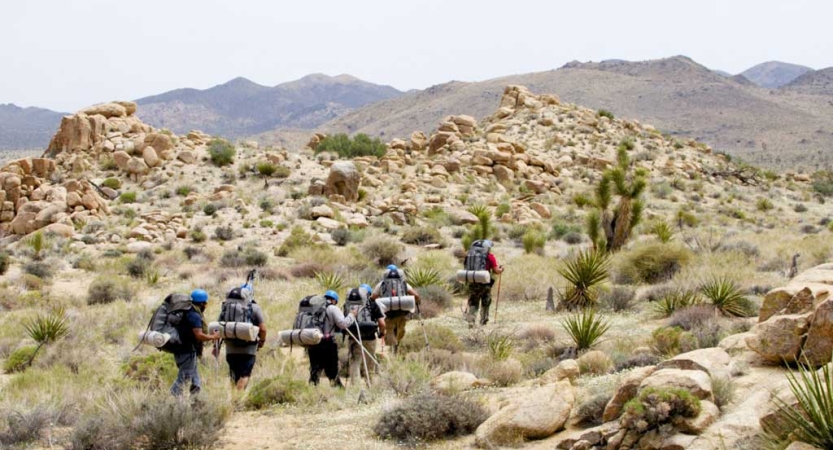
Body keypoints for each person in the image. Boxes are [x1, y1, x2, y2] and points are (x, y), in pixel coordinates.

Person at [215, 282, 267, 391]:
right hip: (248, 348)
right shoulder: (254, 307)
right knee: (245, 375)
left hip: (230, 348)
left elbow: (218, 327)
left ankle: (233, 397)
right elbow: (263, 329)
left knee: (234, 375)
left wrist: (215, 347)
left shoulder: (225, 307)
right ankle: (238, 399)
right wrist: (262, 341)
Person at [170, 289, 220, 397]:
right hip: (187, 351)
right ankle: (172, 399)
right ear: (202, 303)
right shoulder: (194, 315)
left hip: (181, 349)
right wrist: (213, 336)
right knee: (185, 376)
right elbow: (199, 335)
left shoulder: (186, 312)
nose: (206, 305)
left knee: (195, 379)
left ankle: (196, 401)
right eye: (205, 303)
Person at [308, 290, 356, 387]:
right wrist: (352, 315)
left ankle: (312, 389)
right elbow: (343, 324)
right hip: (327, 342)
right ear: (334, 300)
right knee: (332, 368)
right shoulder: (333, 308)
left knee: (315, 368)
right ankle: (337, 388)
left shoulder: (313, 308)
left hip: (312, 341)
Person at [370, 265, 420, 353]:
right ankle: (396, 350)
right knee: (400, 331)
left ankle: (392, 352)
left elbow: (373, 298)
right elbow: (416, 295)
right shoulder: (403, 283)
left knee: (389, 332)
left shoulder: (381, 284)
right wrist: (416, 302)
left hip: (387, 314)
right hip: (401, 313)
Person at [346, 284, 386, 386]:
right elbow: (382, 323)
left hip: (353, 337)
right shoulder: (373, 304)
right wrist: (382, 333)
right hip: (370, 337)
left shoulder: (348, 304)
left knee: (355, 361)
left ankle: (355, 385)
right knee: (370, 360)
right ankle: (370, 382)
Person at [466, 240, 503, 327]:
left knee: (473, 303)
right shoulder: (490, 256)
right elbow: (496, 271)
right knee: (485, 302)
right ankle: (483, 322)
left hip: (472, 282)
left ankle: (471, 322)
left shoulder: (469, 256)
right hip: (485, 284)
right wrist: (501, 269)